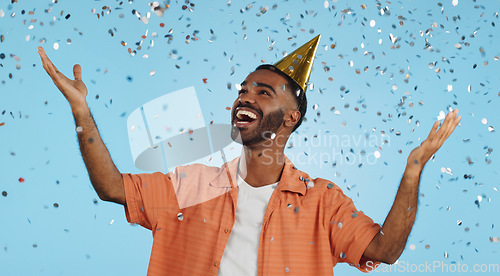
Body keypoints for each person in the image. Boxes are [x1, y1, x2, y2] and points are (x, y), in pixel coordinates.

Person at [38, 35, 461, 275]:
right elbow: (112, 187)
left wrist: (413, 171)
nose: (246, 96)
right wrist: (81, 112)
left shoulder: (323, 202)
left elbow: (383, 251)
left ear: (290, 117)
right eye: (242, 89)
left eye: (263, 92)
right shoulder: (190, 185)